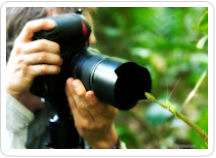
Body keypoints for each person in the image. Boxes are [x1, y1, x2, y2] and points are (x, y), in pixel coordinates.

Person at [6, 7, 124, 149]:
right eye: (66, 47)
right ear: (18, 52)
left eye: (85, 47)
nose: (84, 58)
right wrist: (9, 104)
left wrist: (104, 140)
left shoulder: (81, 106)